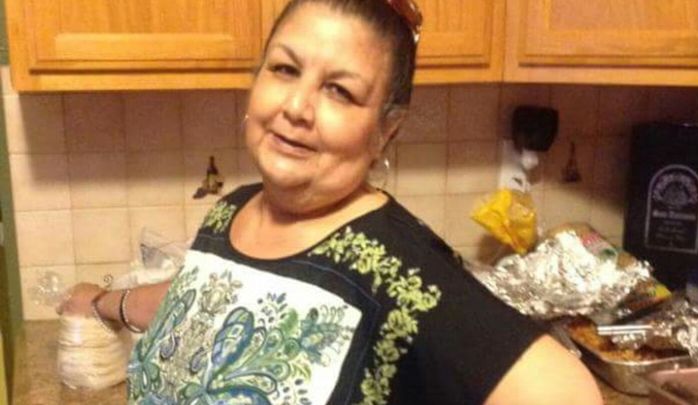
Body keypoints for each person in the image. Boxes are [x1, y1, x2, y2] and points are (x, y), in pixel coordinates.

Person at [59, 0, 604, 404]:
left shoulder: (394, 268)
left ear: (385, 130)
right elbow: (209, 301)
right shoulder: (233, 211)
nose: (297, 106)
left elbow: (563, 393)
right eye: (284, 69)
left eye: (340, 91)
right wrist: (104, 301)